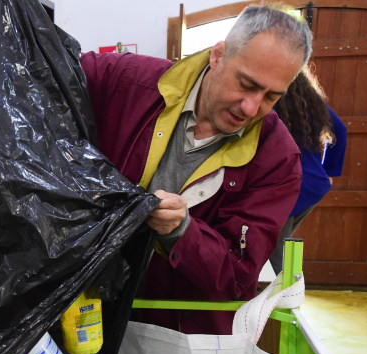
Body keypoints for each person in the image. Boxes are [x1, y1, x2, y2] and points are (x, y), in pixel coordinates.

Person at [80, 5, 311, 334]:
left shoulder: (277, 160)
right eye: (246, 84)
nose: (251, 108)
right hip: (83, 310)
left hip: (173, 332)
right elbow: (48, 70)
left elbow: (238, 275)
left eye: (271, 97)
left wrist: (181, 231)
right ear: (218, 56)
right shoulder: (127, 81)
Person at [268, 69, 347, 274]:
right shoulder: (310, 102)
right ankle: (285, 290)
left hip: (287, 185)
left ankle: (287, 292)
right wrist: (329, 171)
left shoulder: (269, 103)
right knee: (280, 244)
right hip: (314, 183)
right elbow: (340, 129)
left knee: (275, 250)